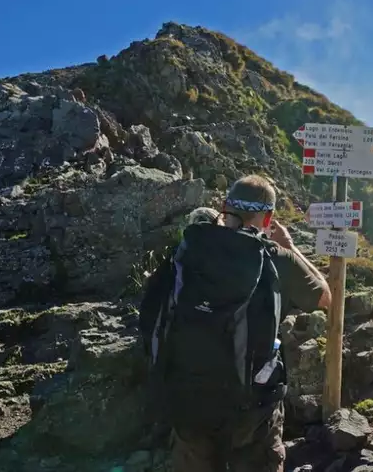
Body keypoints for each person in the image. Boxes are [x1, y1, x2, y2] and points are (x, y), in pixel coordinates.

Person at [141, 174, 331, 472]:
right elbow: (324, 297)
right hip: (251, 409)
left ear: (223, 206)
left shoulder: (191, 247)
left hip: (187, 397)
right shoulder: (275, 256)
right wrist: (290, 245)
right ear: (268, 218)